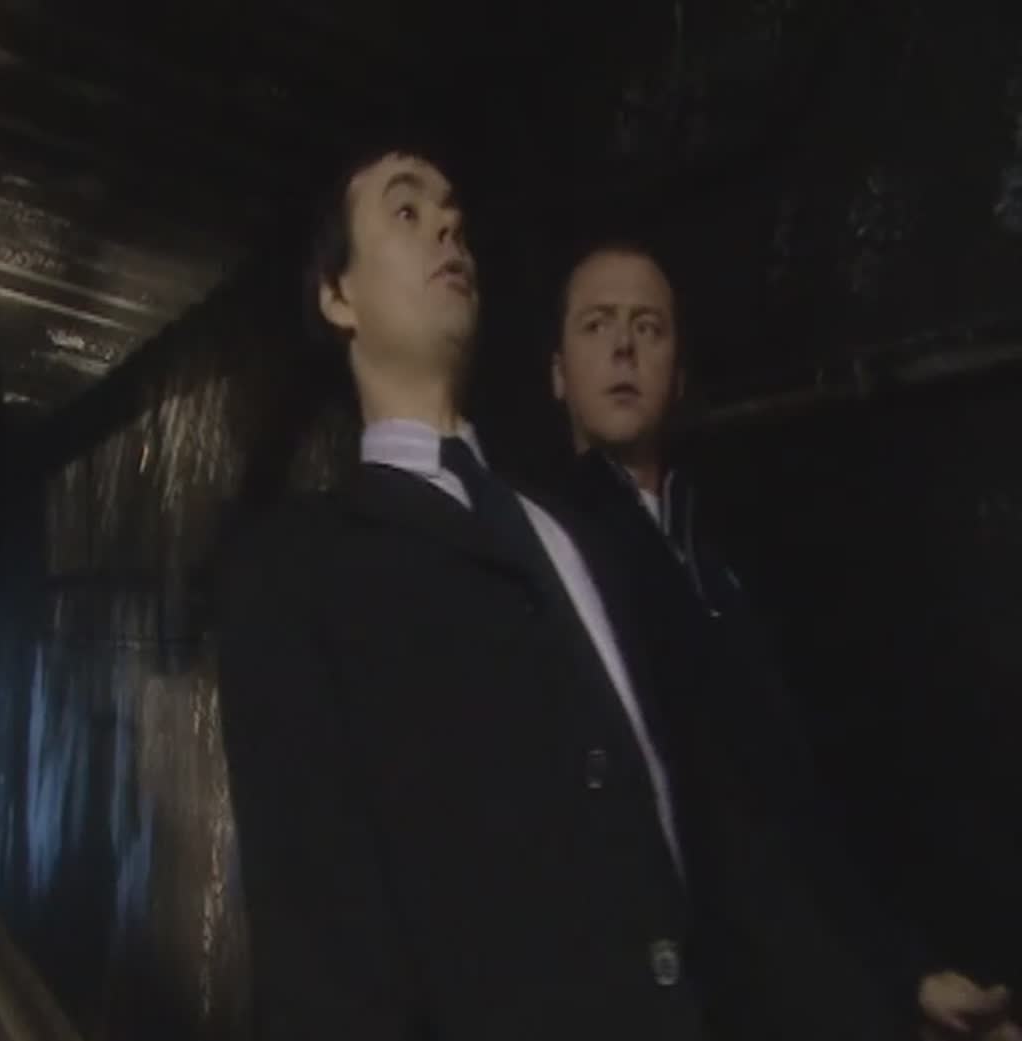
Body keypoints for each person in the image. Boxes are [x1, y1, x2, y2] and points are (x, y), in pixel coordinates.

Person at [215, 147, 713, 1040]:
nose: (448, 225)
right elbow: (320, 950)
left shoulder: (578, 538)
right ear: (338, 296)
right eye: (406, 212)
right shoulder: (293, 570)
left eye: (453, 214)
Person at [544, 238, 1021, 1041]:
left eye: (648, 327)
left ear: (679, 375)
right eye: (596, 325)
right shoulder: (553, 552)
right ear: (558, 372)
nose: (623, 346)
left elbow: (794, 803)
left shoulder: (714, 554)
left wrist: (905, 973)